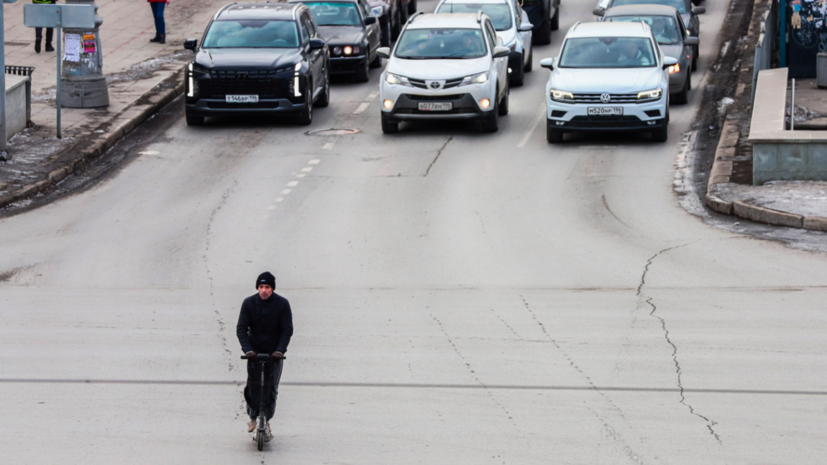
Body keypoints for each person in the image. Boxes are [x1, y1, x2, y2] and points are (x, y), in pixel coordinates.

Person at [236, 272, 293, 442]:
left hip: (274, 354)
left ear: (272, 288)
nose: (264, 290)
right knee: (253, 386)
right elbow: (241, 329)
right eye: (261, 287)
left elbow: (287, 330)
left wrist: (280, 351)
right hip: (254, 353)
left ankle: (266, 420)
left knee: (271, 388)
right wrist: (248, 350)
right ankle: (253, 417)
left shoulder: (282, 304)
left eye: (267, 287)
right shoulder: (248, 303)